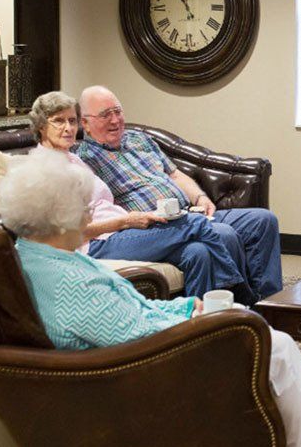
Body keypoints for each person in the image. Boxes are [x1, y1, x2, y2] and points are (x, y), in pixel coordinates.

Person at [0, 153, 301, 447]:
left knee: (250, 321)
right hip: (138, 374)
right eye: (84, 207)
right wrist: (194, 319)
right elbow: (137, 337)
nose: (90, 214)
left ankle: (279, 442)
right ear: (59, 216)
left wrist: (182, 307)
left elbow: (129, 317)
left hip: (133, 351)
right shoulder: (73, 283)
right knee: (273, 344)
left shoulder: (38, 254)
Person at [27, 92, 254, 301]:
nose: (68, 128)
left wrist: (127, 222)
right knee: (194, 223)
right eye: (58, 121)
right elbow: (69, 233)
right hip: (97, 243)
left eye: (72, 120)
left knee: (198, 253)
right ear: (40, 127)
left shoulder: (72, 159)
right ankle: (244, 296)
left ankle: (198, 329)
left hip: (121, 231)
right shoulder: (44, 169)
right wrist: (125, 221)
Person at [75, 86, 282, 301]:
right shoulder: (85, 158)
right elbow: (100, 206)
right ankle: (240, 304)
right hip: (159, 225)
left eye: (118, 111)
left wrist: (199, 197)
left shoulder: (139, 139)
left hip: (189, 211)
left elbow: (174, 175)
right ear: (85, 123)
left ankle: (269, 304)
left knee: (263, 220)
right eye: (105, 115)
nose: (115, 120)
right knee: (223, 233)